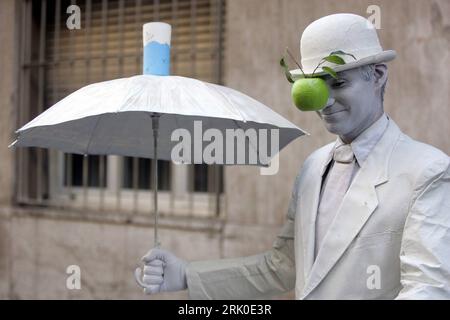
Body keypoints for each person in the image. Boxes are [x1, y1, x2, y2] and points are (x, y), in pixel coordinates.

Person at [139, 13, 450, 299]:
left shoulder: (427, 171)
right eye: (312, 85)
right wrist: (186, 274)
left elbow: (428, 288)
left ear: (379, 74)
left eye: (338, 83)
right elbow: (283, 266)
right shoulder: (313, 166)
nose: (324, 102)